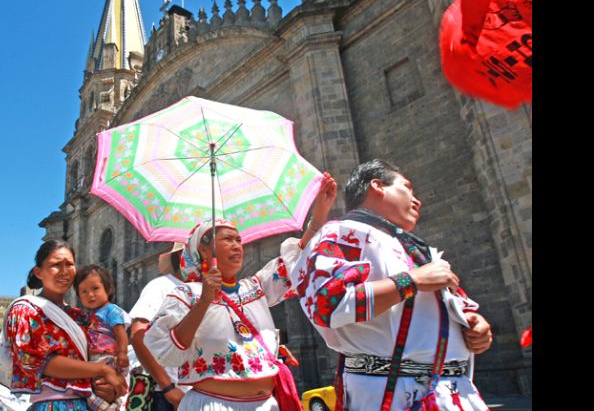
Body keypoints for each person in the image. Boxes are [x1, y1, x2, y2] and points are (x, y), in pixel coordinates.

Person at [293, 159, 494, 410]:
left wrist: (475, 325)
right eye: (407, 187)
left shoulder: (421, 252)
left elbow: (458, 308)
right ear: (377, 186)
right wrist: (412, 281)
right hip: (389, 392)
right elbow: (327, 305)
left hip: (455, 393)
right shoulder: (341, 234)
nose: (416, 199)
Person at [144, 174, 337, 411]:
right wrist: (204, 301)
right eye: (227, 239)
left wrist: (316, 221)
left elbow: (292, 264)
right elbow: (165, 349)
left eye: (239, 239)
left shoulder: (254, 288)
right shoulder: (185, 295)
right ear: (204, 251)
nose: (237, 246)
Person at [4, 239, 127, 411]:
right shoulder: (24, 310)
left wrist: (109, 389)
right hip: (52, 404)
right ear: (38, 272)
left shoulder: (81, 316)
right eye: (56, 265)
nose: (64, 271)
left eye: (69, 264)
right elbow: (36, 362)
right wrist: (102, 371)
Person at [129, 243, 189, 411]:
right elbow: (137, 334)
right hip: (169, 396)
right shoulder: (161, 286)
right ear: (181, 256)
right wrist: (168, 387)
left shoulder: (207, 290)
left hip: (202, 395)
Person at [74, 264, 131, 411]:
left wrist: (123, 353)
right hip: (95, 359)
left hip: (107, 358)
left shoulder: (111, 310)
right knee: (95, 389)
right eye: (84, 291)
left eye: (95, 288)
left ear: (109, 289)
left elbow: (120, 333)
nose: (90, 295)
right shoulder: (89, 316)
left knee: (99, 387)